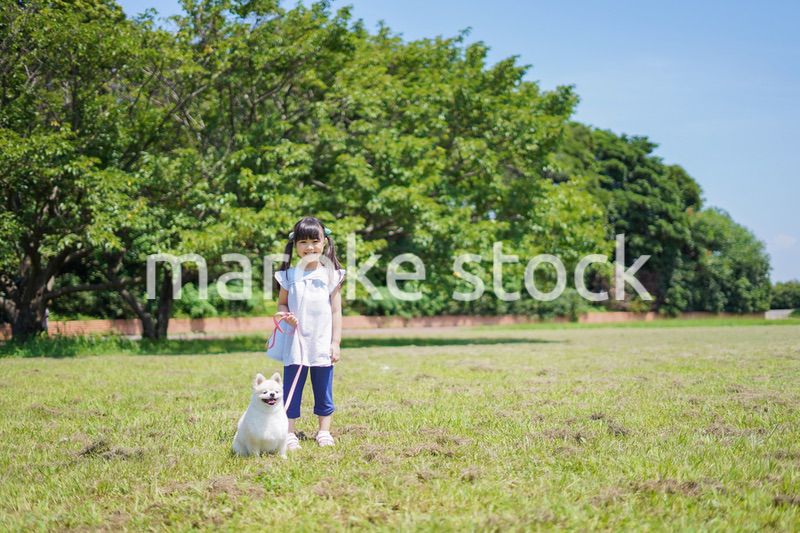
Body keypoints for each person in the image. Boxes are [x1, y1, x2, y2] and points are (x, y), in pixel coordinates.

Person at [273, 216, 345, 449]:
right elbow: (282, 305)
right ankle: (289, 431)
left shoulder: (331, 275)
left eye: (315, 241)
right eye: (303, 242)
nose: (309, 247)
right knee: (292, 386)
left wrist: (335, 342)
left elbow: (336, 311)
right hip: (295, 342)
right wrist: (286, 316)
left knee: (323, 386)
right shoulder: (289, 276)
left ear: (324, 242)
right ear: (295, 246)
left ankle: (324, 431)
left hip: (322, 341)